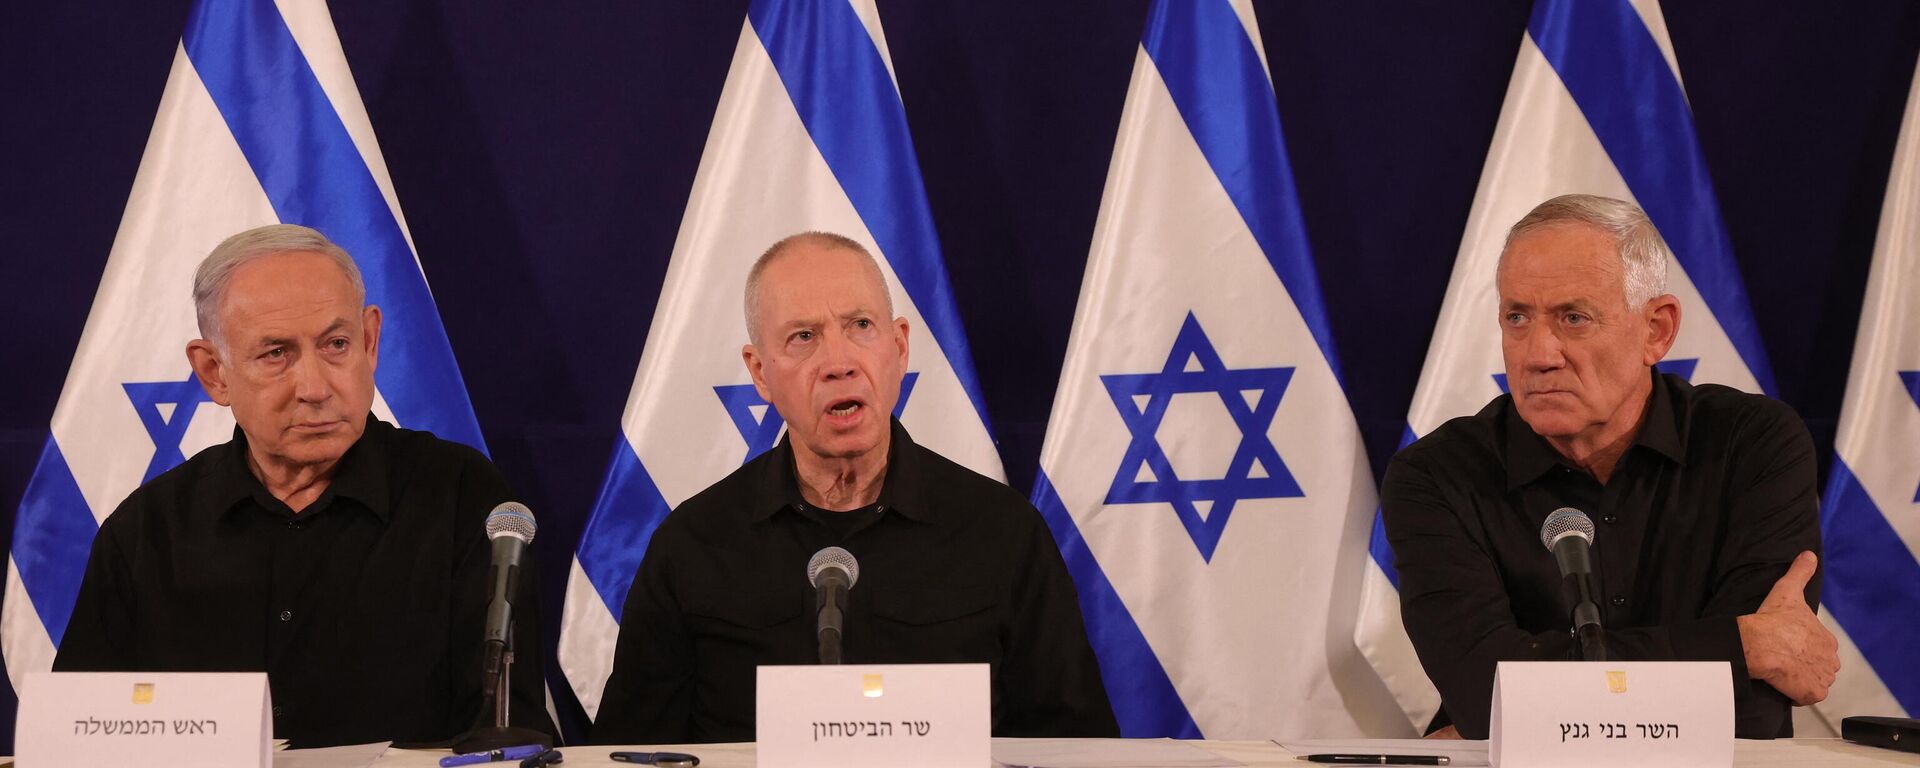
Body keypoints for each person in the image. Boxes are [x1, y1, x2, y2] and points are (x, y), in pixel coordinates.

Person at [592, 232, 1118, 744]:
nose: (839, 363)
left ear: (899, 346)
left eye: (860, 325)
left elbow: (1075, 745)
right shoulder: (694, 545)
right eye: (803, 337)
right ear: (760, 373)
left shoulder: (1002, 531)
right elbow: (629, 752)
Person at [54, 224, 555, 748]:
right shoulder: (147, 531)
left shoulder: (462, 498)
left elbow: (500, 732)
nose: (315, 388)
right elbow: (82, 739)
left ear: (370, 342)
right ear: (213, 373)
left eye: (336, 344)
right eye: (276, 354)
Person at [1381, 194, 1839, 739]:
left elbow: (1756, 704)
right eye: (1517, 317)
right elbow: (1487, 695)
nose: (1537, 353)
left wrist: (1544, 698)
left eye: (1573, 318)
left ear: (1657, 330)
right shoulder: (1436, 477)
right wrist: (1741, 646)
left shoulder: (1753, 446)